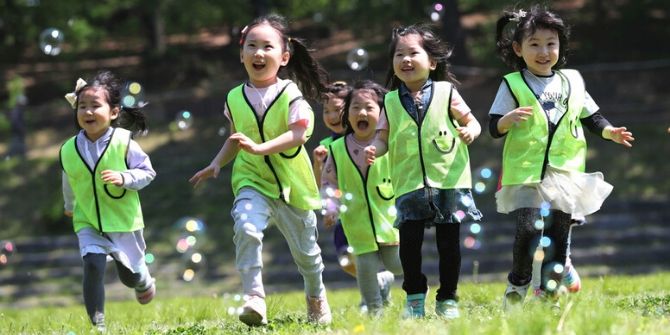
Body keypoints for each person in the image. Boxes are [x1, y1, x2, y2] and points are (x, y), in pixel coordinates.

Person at [189, 14, 332, 327]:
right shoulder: (234, 97)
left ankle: (315, 297)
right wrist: (216, 163)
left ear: (283, 57)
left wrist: (259, 148)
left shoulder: (291, 94)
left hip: (293, 185)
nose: (258, 53)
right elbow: (235, 138)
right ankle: (254, 297)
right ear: (241, 55)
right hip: (252, 181)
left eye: (267, 46)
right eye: (251, 46)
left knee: (307, 256)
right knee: (247, 227)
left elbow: (298, 134)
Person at [490, 5, 634, 309]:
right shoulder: (512, 84)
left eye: (550, 44)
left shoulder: (572, 82)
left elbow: (592, 117)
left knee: (557, 233)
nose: (544, 51)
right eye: (534, 44)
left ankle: (550, 294)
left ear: (560, 46)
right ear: (518, 49)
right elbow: (493, 127)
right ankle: (518, 284)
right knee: (529, 229)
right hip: (526, 174)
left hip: (564, 174)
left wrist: (610, 132)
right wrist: (507, 120)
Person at [365, 24, 483, 319]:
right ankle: (415, 297)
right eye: (398, 55)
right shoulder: (390, 101)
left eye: (413, 53)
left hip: (448, 179)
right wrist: (374, 150)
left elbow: (473, 121)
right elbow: (382, 138)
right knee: (409, 245)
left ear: (432, 62)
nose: (405, 60)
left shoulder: (446, 91)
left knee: (448, 244)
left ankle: (448, 299)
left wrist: (470, 130)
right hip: (408, 182)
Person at [60, 70, 156, 332]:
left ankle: (143, 280)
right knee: (92, 264)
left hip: (123, 220)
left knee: (129, 276)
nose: (88, 112)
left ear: (114, 112)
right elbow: (69, 181)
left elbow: (148, 172)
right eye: (82, 106)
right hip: (88, 219)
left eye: (95, 106)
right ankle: (97, 325)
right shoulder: (68, 149)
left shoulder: (124, 142)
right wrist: (69, 207)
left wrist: (125, 177)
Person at [321, 80, 403, 316]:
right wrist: (330, 207)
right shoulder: (337, 149)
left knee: (396, 264)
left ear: (382, 114)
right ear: (347, 115)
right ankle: (374, 310)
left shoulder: (391, 145)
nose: (362, 113)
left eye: (369, 107)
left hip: (389, 220)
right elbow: (329, 182)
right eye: (355, 108)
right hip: (356, 221)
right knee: (365, 268)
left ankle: (416, 285)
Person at [5, 70, 27, 158]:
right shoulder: (14, 81)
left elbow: (18, 92)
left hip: (17, 105)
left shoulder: (17, 81)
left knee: (17, 124)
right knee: (16, 124)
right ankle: (18, 140)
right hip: (14, 105)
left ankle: (20, 142)